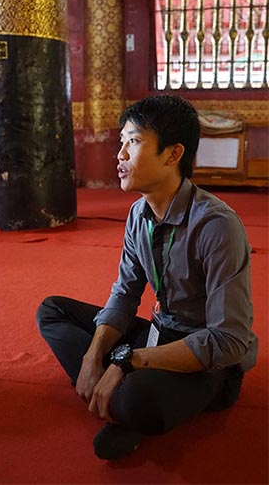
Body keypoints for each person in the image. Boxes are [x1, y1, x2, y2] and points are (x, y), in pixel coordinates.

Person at [36, 94, 258, 460]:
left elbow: (229, 341)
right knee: (52, 311)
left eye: (134, 142)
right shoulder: (138, 214)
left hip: (208, 357)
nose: (120, 155)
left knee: (140, 399)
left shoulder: (216, 226)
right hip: (159, 335)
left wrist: (126, 360)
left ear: (173, 154)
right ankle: (113, 389)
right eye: (121, 142)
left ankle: (127, 395)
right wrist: (94, 356)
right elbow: (124, 295)